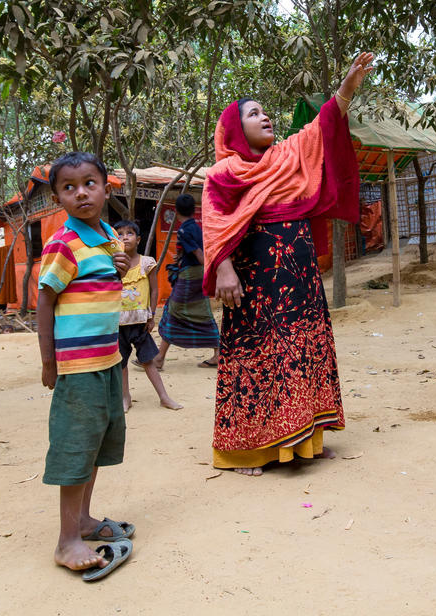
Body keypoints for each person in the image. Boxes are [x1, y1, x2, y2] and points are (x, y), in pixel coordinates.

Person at [204, 52, 372, 477]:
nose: (266, 117)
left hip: (300, 279)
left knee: (304, 350)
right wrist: (223, 268)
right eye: (254, 113)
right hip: (256, 284)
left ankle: (307, 441)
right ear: (234, 128)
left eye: (265, 111)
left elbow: (323, 128)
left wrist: (347, 88)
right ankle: (250, 450)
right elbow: (216, 223)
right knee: (259, 358)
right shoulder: (223, 173)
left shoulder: (289, 155)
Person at [36, 152, 134, 580]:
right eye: (69, 187)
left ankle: (85, 520)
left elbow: (107, 278)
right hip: (77, 366)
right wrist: (47, 362)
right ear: (58, 197)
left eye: (89, 183)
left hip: (108, 359)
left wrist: (121, 265)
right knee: (76, 448)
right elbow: (44, 300)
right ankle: (65, 541)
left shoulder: (108, 233)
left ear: (105, 188)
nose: (81, 193)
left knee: (96, 444)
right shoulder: (62, 243)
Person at [115, 220, 182, 411]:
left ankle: (164, 397)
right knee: (121, 363)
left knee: (147, 361)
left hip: (140, 322)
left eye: (129, 233)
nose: (125, 237)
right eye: (119, 234)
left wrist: (152, 315)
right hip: (118, 322)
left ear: (138, 239)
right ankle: (125, 397)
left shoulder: (147, 262)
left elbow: (154, 290)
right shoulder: (113, 263)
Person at [154, 194, 220, 369]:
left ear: (176, 211)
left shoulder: (183, 230)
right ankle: (218, 353)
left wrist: (206, 265)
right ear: (193, 210)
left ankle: (159, 357)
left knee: (173, 309)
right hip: (198, 274)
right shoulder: (198, 228)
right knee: (203, 311)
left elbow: (198, 254)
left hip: (190, 275)